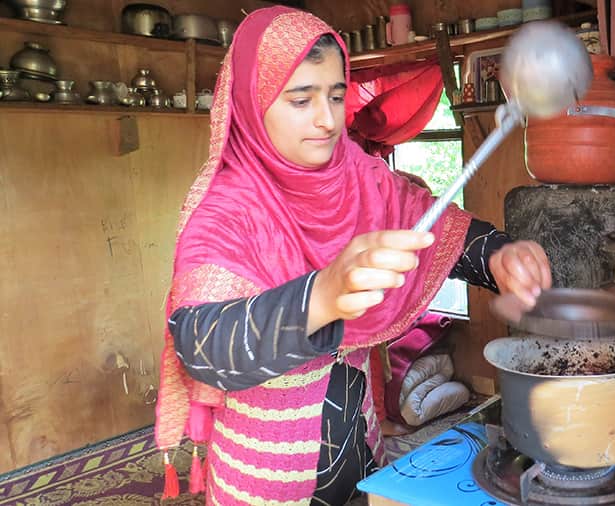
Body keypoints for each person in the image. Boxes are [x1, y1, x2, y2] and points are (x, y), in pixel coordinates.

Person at [154, 6, 552, 505]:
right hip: (264, 474)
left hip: (359, 444)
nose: (327, 120)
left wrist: (497, 255)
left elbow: (436, 225)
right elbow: (203, 344)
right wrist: (321, 295)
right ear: (252, 103)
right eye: (301, 99)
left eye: (336, 95)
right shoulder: (225, 207)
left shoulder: (358, 174)